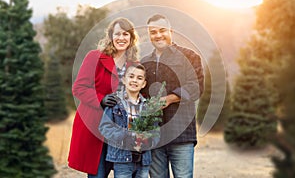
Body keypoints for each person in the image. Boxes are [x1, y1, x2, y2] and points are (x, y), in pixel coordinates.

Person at [68, 17, 139, 177]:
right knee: (98, 174)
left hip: (122, 131)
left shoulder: (134, 64)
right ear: (111, 36)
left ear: (132, 38)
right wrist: (101, 99)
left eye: (126, 34)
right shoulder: (95, 57)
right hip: (95, 126)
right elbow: (78, 88)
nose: (121, 38)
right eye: (118, 34)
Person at [141, 14, 204, 178]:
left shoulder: (190, 57)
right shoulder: (144, 62)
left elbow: (196, 86)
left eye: (162, 30)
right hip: (154, 136)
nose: (158, 35)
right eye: (153, 32)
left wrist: (169, 99)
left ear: (171, 31)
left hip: (181, 133)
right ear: (149, 36)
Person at [99, 63, 159, 178]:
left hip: (143, 160)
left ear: (144, 84)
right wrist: (128, 136)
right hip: (122, 160)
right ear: (124, 80)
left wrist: (147, 140)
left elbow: (155, 132)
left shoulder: (148, 106)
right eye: (131, 76)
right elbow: (105, 128)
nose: (134, 80)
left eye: (139, 78)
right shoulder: (115, 103)